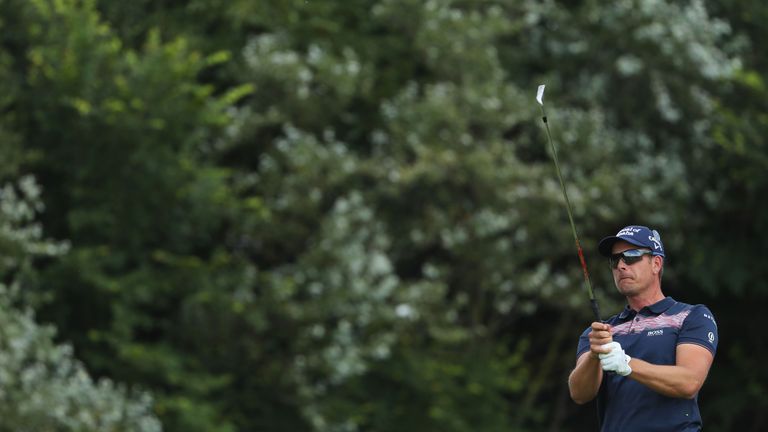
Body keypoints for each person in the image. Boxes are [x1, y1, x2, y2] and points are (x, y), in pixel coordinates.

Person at [567, 225, 718, 431]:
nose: (621, 265)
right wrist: (595, 356)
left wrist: (627, 364)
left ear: (656, 263)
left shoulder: (691, 316)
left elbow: (689, 382)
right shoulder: (600, 333)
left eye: (631, 256)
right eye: (615, 259)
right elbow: (579, 393)